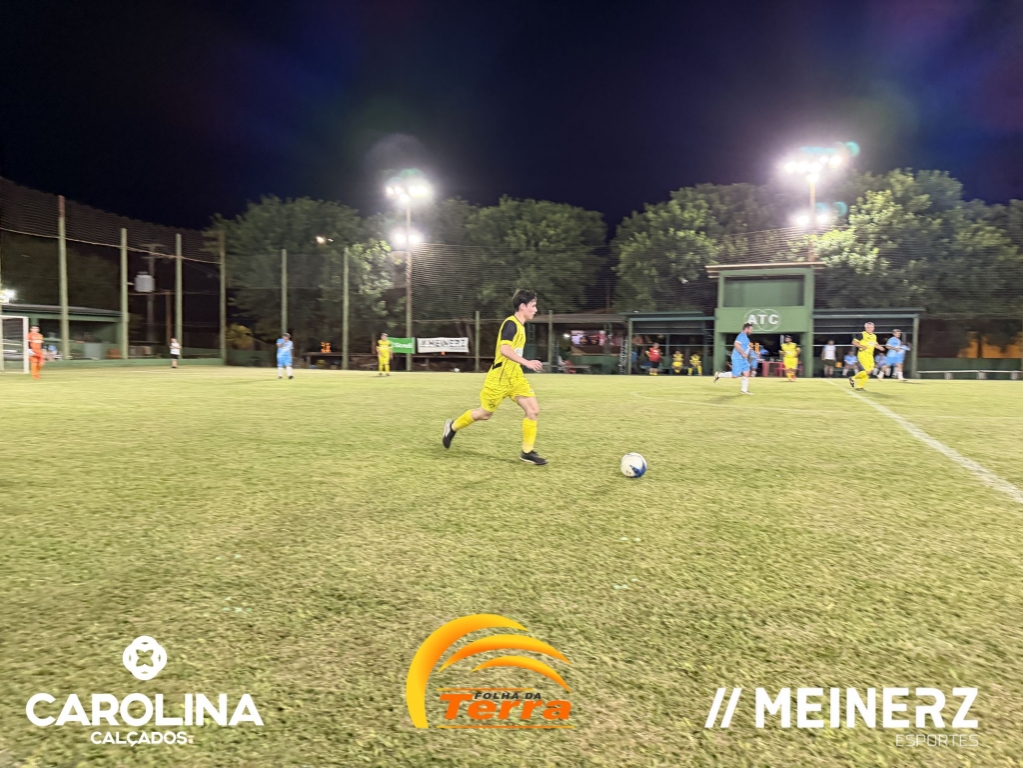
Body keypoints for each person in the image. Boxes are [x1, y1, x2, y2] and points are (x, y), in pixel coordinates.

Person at [442, 290, 547, 465]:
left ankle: (527, 452)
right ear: (523, 306)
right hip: (499, 378)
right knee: (484, 414)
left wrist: (521, 365)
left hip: (515, 377)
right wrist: (526, 362)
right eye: (533, 306)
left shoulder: (520, 326)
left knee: (533, 410)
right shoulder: (511, 324)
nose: (536, 310)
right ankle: (452, 427)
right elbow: (504, 350)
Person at [713, 322, 755, 394]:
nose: (752, 331)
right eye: (751, 329)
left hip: (743, 359)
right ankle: (719, 374)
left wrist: (749, 349)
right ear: (746, 329)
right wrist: (743, 353)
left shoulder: (746, 338)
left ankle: (744, 390)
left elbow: (744, 347)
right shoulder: (741, 336)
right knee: (735, 376)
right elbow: (736, 344)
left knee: (746, 373)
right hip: (737, 357)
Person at [850, 322, 884, 390]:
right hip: (863, 354)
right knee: (868, 371)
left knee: (869, 371)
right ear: (865, 328)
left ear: (873, 328)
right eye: (868, 327)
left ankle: (859, 386)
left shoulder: (874, 336)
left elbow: (875, 344)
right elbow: (854, 342)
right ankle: (853, 378)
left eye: (871, 327)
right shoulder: (862, 334)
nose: (870, 329)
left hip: (870, 355)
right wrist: (861, 346)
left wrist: (879, 347)